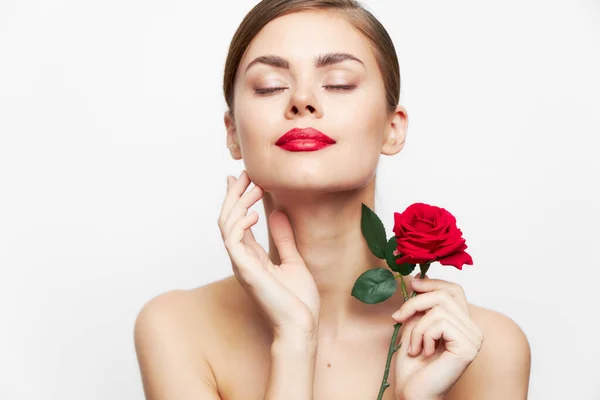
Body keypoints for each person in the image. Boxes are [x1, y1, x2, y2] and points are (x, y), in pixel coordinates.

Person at [133, 1, 532, 399]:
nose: (302, 100)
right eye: (269, 85)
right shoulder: (177, 328)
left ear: (393, 129)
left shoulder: (484, 348)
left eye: (339, 82)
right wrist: (294, 339)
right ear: (233, 133)